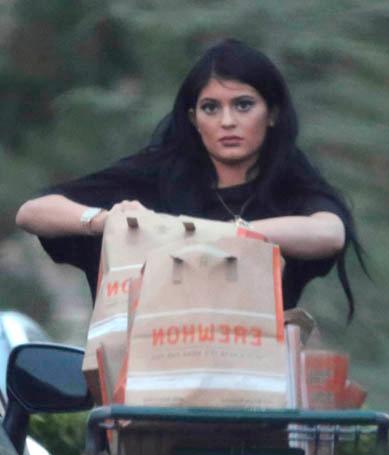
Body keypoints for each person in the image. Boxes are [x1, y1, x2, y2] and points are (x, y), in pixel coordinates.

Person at [16, 38, 364, 314]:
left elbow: (329, 232)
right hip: (148, 385)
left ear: (271, 114)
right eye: (211, 108)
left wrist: (220, 235)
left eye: (243, 105)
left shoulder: (289, 185)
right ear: (194, 118)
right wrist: (106, 220)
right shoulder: (157, 175)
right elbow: (32, 212)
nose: (227, 121)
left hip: (255, 379)